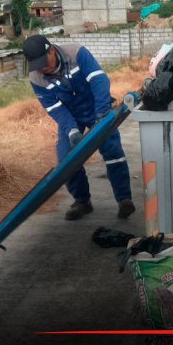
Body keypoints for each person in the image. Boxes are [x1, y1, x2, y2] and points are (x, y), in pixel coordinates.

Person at [22, 35, 135, 221]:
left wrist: (102, 114)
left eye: (44, 62)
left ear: (52, 50)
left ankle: (124, 199)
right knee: (66, 158)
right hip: (71, 114)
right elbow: (54, 107)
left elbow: (99, 81)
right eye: (37, 65)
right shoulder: (36, 78)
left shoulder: (76, 53)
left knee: (112, 149)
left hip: (95, 106)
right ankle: (82, 201)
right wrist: (71, 129)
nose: (42, 68)